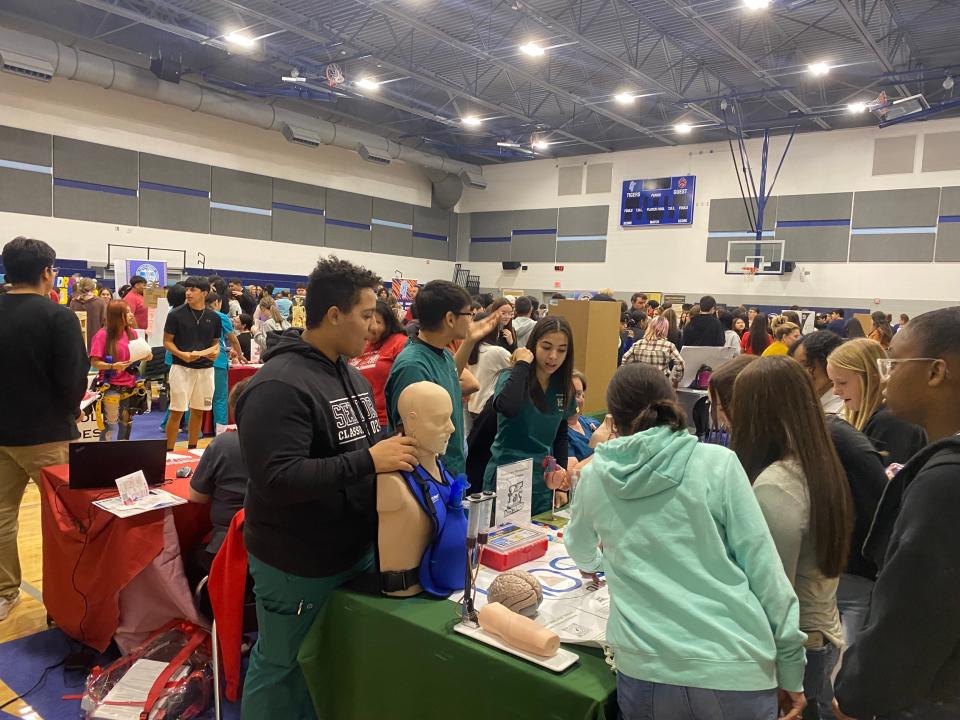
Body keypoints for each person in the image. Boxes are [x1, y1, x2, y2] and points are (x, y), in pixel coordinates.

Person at [566, 362, 807, 720]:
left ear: (612, 419)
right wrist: (791, 666)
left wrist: (598, 566)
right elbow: (765, 572)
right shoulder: (718, 463)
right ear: (671, 403)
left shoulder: (596, 476)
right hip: (734, 662)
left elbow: (578, 545)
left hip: (647, 669)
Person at [236, 256, 419, 720]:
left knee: (327, 664)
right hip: (296, 560)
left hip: (349, 551)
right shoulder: (278, 386)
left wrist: (392, 447)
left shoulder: (351, 376)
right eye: (365, 313)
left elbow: (359, 446)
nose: (373, 325)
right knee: (283, 668)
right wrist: (369, 460)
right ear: (334, 315)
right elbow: (277, 479)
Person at [834, 306, 960, 720]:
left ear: (936, 372)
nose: (885, 376)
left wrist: (858, 690)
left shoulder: (944, 481)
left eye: (894, 364)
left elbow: (912, 615)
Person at [731, 357, 854, 719]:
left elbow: (771, 592)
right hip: (819, 632)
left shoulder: (777, 485)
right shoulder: (814, 463)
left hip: (799, 643)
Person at [0, 237, 88, 621]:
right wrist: (72, 410)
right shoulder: (59, 317)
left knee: (2, 518)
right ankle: (66, 598)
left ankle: (4, 594)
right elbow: (73, 380)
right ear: (47, 272)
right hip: (49, 434)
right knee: (66, 522)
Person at [386, 281, 499, 477]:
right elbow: (408, 434)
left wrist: (470, 340)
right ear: (450, 318)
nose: (472, 320)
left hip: (449, 471)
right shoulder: (413, 366)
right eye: (468, 314)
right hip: (430, 478)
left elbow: (448, 381)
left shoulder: (442, 353)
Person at [482, 318, 575, 515]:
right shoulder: (512, 377)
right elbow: (507, 407)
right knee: (503, 541)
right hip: (507, 474)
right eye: (546, 347)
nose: (553, 357)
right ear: (533, 346)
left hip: (542, 480)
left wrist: (560, 483)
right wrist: (522, 364)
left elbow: (561, 433)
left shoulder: (564, 386)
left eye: (561, 350)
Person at [186, 377, 252, 591]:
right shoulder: (291, 443)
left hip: (227, 546)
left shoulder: (223, 444)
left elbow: (197, 497)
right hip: (277, 547)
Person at [827, 338, 927, 466]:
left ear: (873, 380)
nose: (835, 391)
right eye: (832, 383)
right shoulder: (880, 418)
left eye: (842, 382)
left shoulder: (890, 421)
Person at [163, 277, 222, 451]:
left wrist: (215, 353)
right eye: (187, 289)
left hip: (205, 370)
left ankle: (193, 448)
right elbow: (167, 341)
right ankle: (169, 451)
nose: (188, 292)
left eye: (193, 289)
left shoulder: (214, 317)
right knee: (177, 411)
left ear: (204, 293)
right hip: (181, 368)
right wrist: (182, 354)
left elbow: (215, 342)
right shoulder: (175, 314)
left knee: (199, 410)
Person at [89, 299, 153, 441]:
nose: (131, 315)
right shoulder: (102, 335)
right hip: (111, 386)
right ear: (118, 316)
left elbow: (137, 355)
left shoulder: (132, 333)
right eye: (127, 312)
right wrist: (113, 366)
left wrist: (146, 356)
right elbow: (95, 361)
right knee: (111, 425)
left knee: (126, 424)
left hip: (130, 386)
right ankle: (106, 456)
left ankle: (123, 454)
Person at [348, 300, 409, 426]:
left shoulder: (399, 343)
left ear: (388, 323)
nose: (372, 327)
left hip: (384, 422)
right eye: (367, 321)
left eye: (378, 322)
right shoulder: (361, 344)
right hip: (357, 420)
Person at [206, 293, 245, 434]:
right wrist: (240, 354)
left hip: (199, 360)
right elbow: (233, 340)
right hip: (218, 360)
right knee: (220, 398)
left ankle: (194, 430)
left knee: (195, 398)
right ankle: (220, 430)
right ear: (217, 302)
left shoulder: (198, 315)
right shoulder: (221, 317)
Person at [465, 312, 512, 422]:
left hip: (472, 405)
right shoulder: (496, 352)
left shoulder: (469, 349)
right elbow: (518, 368)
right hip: (487, 407)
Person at [789, 331, 845, 416]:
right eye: (796, 366)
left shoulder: (842, 410)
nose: (799, 372)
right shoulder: (806, 400)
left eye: (807, 364)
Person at [621, 316, 685, 389]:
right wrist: (675, 380)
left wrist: (631, 378)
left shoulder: (638, 344)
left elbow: (625, 359)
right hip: (661, 384)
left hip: (641, 383)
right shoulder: (669, 346)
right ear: (665, 329)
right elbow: (680, 363)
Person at [566, 369, 600, 469]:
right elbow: (572, 473)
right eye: (569, 395)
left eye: (578, 394)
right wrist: (604, 451)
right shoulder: (559, 434)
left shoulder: (592, 423)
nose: (574, 401)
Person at [69, 276, 107, 352]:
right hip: (96, 343)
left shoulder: (74, 303)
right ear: (93, 288)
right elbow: (105, 323)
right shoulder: (99, 303)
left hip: (77, 343)